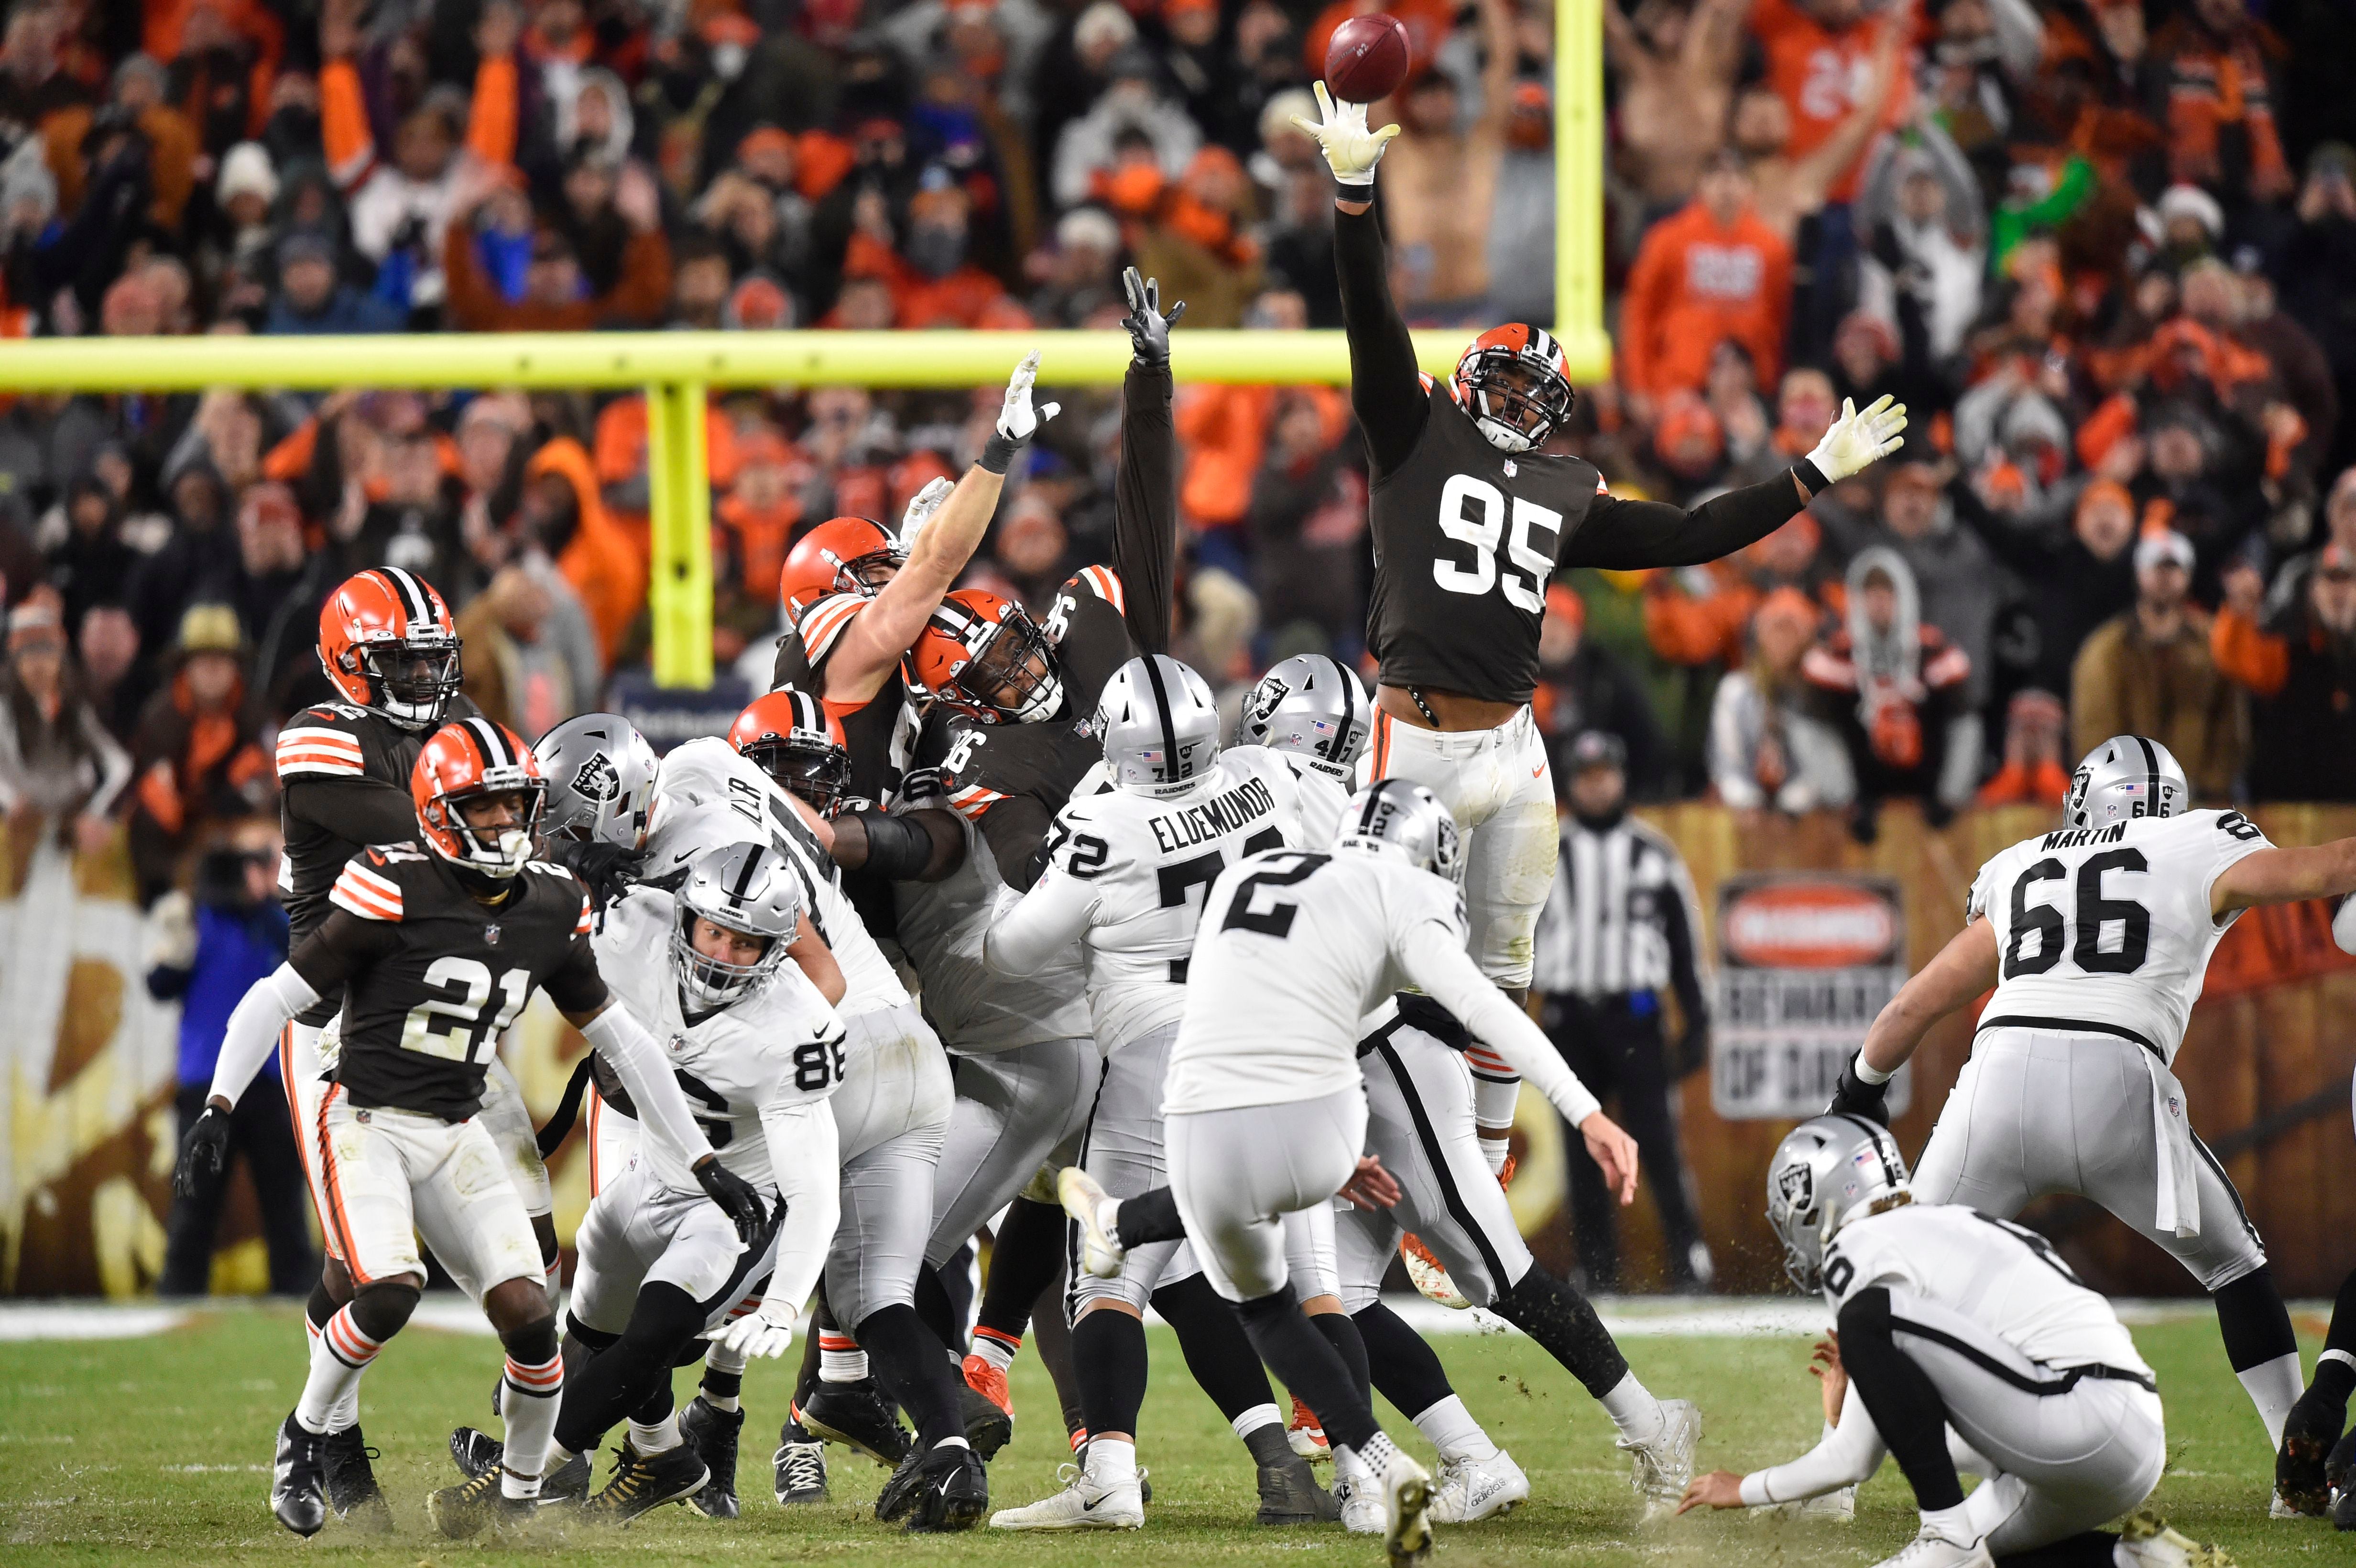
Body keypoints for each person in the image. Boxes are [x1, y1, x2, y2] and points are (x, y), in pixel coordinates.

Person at [1292, 78, 1903, 1176]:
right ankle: (1332, 1144)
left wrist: (1812, 473)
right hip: (1413, 739)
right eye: (1509, 381)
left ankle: (1477, 1166)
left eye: (1540, 390)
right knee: (1364, 954)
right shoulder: (1411, 427)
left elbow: (1694, 533)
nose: (1521, 402)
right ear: (1471, 378)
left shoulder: (1571, 489)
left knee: (1509, 953)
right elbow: (1370, 318)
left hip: (1513, 742)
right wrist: (1351, 199)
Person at [173, 719, 754, 1538]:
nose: (503, 825)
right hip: (367, 1117)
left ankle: (517, 1501)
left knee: (529, 1312)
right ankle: (304, 1437)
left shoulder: (552, 901)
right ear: (439, 813)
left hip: (454, 1127)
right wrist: (219, 1107)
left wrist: (701, 1161)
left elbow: (621, 1039)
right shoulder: (389, 884)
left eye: (514, 807)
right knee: (387, 1286)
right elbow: (278, 997)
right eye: (482, 809)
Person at [1054, 779, 1663, 1552]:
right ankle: (1380, 1462)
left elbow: (1231, 1006)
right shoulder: (1400, 890)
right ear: (1426, 855)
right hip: (1316, 1108)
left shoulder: (1252, 875)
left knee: (1268, 1306)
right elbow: (1479, 1006)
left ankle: (1123, 1224)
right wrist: (1586, 1112)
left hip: (1201, 1105)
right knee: (1322, 1291)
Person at [1829, 735, 2356, 1508]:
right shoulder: (2195, 838)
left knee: (1889, 1277)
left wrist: (1858, 1087)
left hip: (1996, 1086)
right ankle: (2292, 1477)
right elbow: (2335, 867)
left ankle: (1831, 1475)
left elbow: (1918, 1001)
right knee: (2233, 1265)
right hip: (2119, 1080)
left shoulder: (2021, 862)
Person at [980, 654, 1320, 1533]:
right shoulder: (1266, 774)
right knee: (1225, 1271)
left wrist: (1059, 844)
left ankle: (1110, 1478)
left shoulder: (1106, 825)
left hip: (1162, 1050)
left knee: (1105, 1273)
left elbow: (1010, 953)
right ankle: (1305, 1467)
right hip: (1277, 1042)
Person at [1677, 1115, 2229, 1568]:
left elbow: (1852, 1460)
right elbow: (1929, 1426)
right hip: (2113, 1435)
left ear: (1820, 1197)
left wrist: (1743, 1486)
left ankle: (1943, 1526)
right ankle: (2145, 1560)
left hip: (2076, 1413)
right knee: (1971, 1559)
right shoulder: (1940, 1231)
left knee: (1866, 1320)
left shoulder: (1860, 1246)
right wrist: (1852, 1408)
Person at [545, 842, 853, 1525]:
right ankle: (661, 1459)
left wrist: (784, 1302)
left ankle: (528, 1465)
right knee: (592, 1332)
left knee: (659, 1332)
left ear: (778, 949)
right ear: (686, 918)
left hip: (736, 1201)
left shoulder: (796, 1028)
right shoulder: (633, 930)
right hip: (650, 1175)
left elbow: (814, 1189)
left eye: (747, 943)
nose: (722, 953)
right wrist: (562, 863)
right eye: (714, 931)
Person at [1531, 731, 1713, 1292]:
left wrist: (1697, 1018)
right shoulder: (1545, 850)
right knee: (1578, 1148)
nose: (1596, 784)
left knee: (1657, 1140)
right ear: (1572, 782)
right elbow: (1516, 939)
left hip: (1633, 1015)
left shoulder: (1653, 853)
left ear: (1621, 776)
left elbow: (1685, 944)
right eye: (1585, 776)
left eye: (1604, 773)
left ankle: (1689, 1260)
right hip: (1567, 1017)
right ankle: (1596, 1267)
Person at [153, 819, 311, 1297]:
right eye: (248, 859)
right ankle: (178, 1296)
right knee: (194, 1201)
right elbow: (159, 985)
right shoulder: (196, 915)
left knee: (285, 1203)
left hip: (270, 1080)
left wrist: (264, 902)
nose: (254, 870)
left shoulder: (279, 920)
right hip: (206, 1081)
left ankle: (298, 1298)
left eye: (264, 858)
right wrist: (178, 940)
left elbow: (300, 962)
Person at [2069, 531, 2243, 801]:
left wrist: (2212, 785)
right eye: (2156, 568)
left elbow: (2230, 725)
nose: (2165, 578)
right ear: (2139, 574)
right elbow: (2094, 729)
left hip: (2200, 803)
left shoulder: (2215, 643)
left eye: (2174, 568)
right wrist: (2117, 790)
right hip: (2126, 803)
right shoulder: (2106, 649)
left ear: (2189, 576)